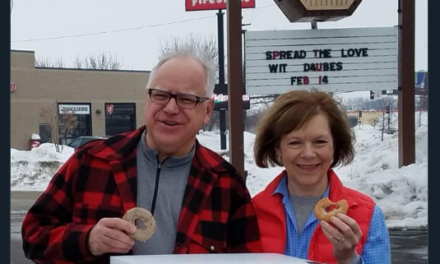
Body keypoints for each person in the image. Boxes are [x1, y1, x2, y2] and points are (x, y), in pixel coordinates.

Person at [21, 44, 261, 264]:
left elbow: (249, 260)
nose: (170, 108)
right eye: (160, 94)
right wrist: (87, 240)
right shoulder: (91, 162)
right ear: (146, 97)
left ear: (207, 110)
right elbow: (34, 235)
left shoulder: (225, 183)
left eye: (186, 99)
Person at [252, 89, 391, 264]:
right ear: (277, 148)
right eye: (295, 143)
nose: (309, 154)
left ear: (335, 146)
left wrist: (350, 259)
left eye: (320, 142)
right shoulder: (252, 212)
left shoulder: (368, 214)